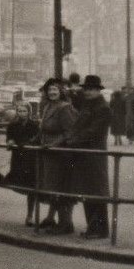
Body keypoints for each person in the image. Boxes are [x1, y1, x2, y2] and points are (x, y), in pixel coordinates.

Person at [64, 75, 112, 239]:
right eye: (87, 89)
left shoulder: (102, 108)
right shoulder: (88, 105)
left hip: (94, 155)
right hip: (85, 154)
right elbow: (78, 126)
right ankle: (93, 227)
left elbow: (93, 132)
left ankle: (101, 229)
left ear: (99, 90)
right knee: (87, 190)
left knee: (96, 191)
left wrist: (73, 141)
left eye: (92, 89)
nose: (88, 92)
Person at [36, 78, 77, 234]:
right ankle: (51, 218)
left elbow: (70, 132)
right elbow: (43, 129)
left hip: (61, 155)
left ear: (61, 91)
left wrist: (54, 145)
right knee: (51, 186)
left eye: (55, 90)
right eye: (50, 90)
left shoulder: (65, 108)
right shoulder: (48, 106)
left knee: (60, 186)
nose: (52, 92)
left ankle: (66, 223)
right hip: (48, 153)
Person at [2, 102, 40, 226]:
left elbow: (37, 139)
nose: (22, 113)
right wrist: (10, 141)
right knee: (18, 181)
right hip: (18, 157)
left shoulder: (34, 125)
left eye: (24, 111)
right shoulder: (13, 125)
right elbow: (9, 138)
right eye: (19, 111)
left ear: (29, 112)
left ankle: (30, 215)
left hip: (30, 157)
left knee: (31, 185)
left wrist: (30, 143)